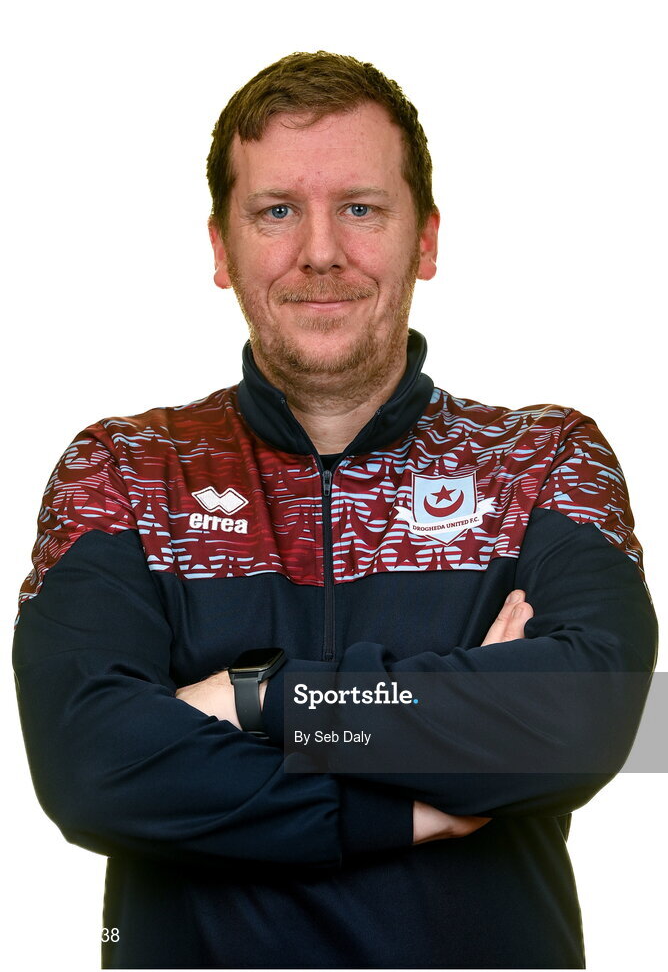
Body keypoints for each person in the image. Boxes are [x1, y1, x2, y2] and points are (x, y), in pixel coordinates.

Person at [13, 51, 657, 970]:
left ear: (424, 241)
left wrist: (257, 699)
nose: (320, 250)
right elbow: (92, 768)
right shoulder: (123, 470)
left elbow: (600, 713)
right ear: (220, 248)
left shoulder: (542, 459)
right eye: (278, 211)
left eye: (360, 207)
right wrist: (396, 806)